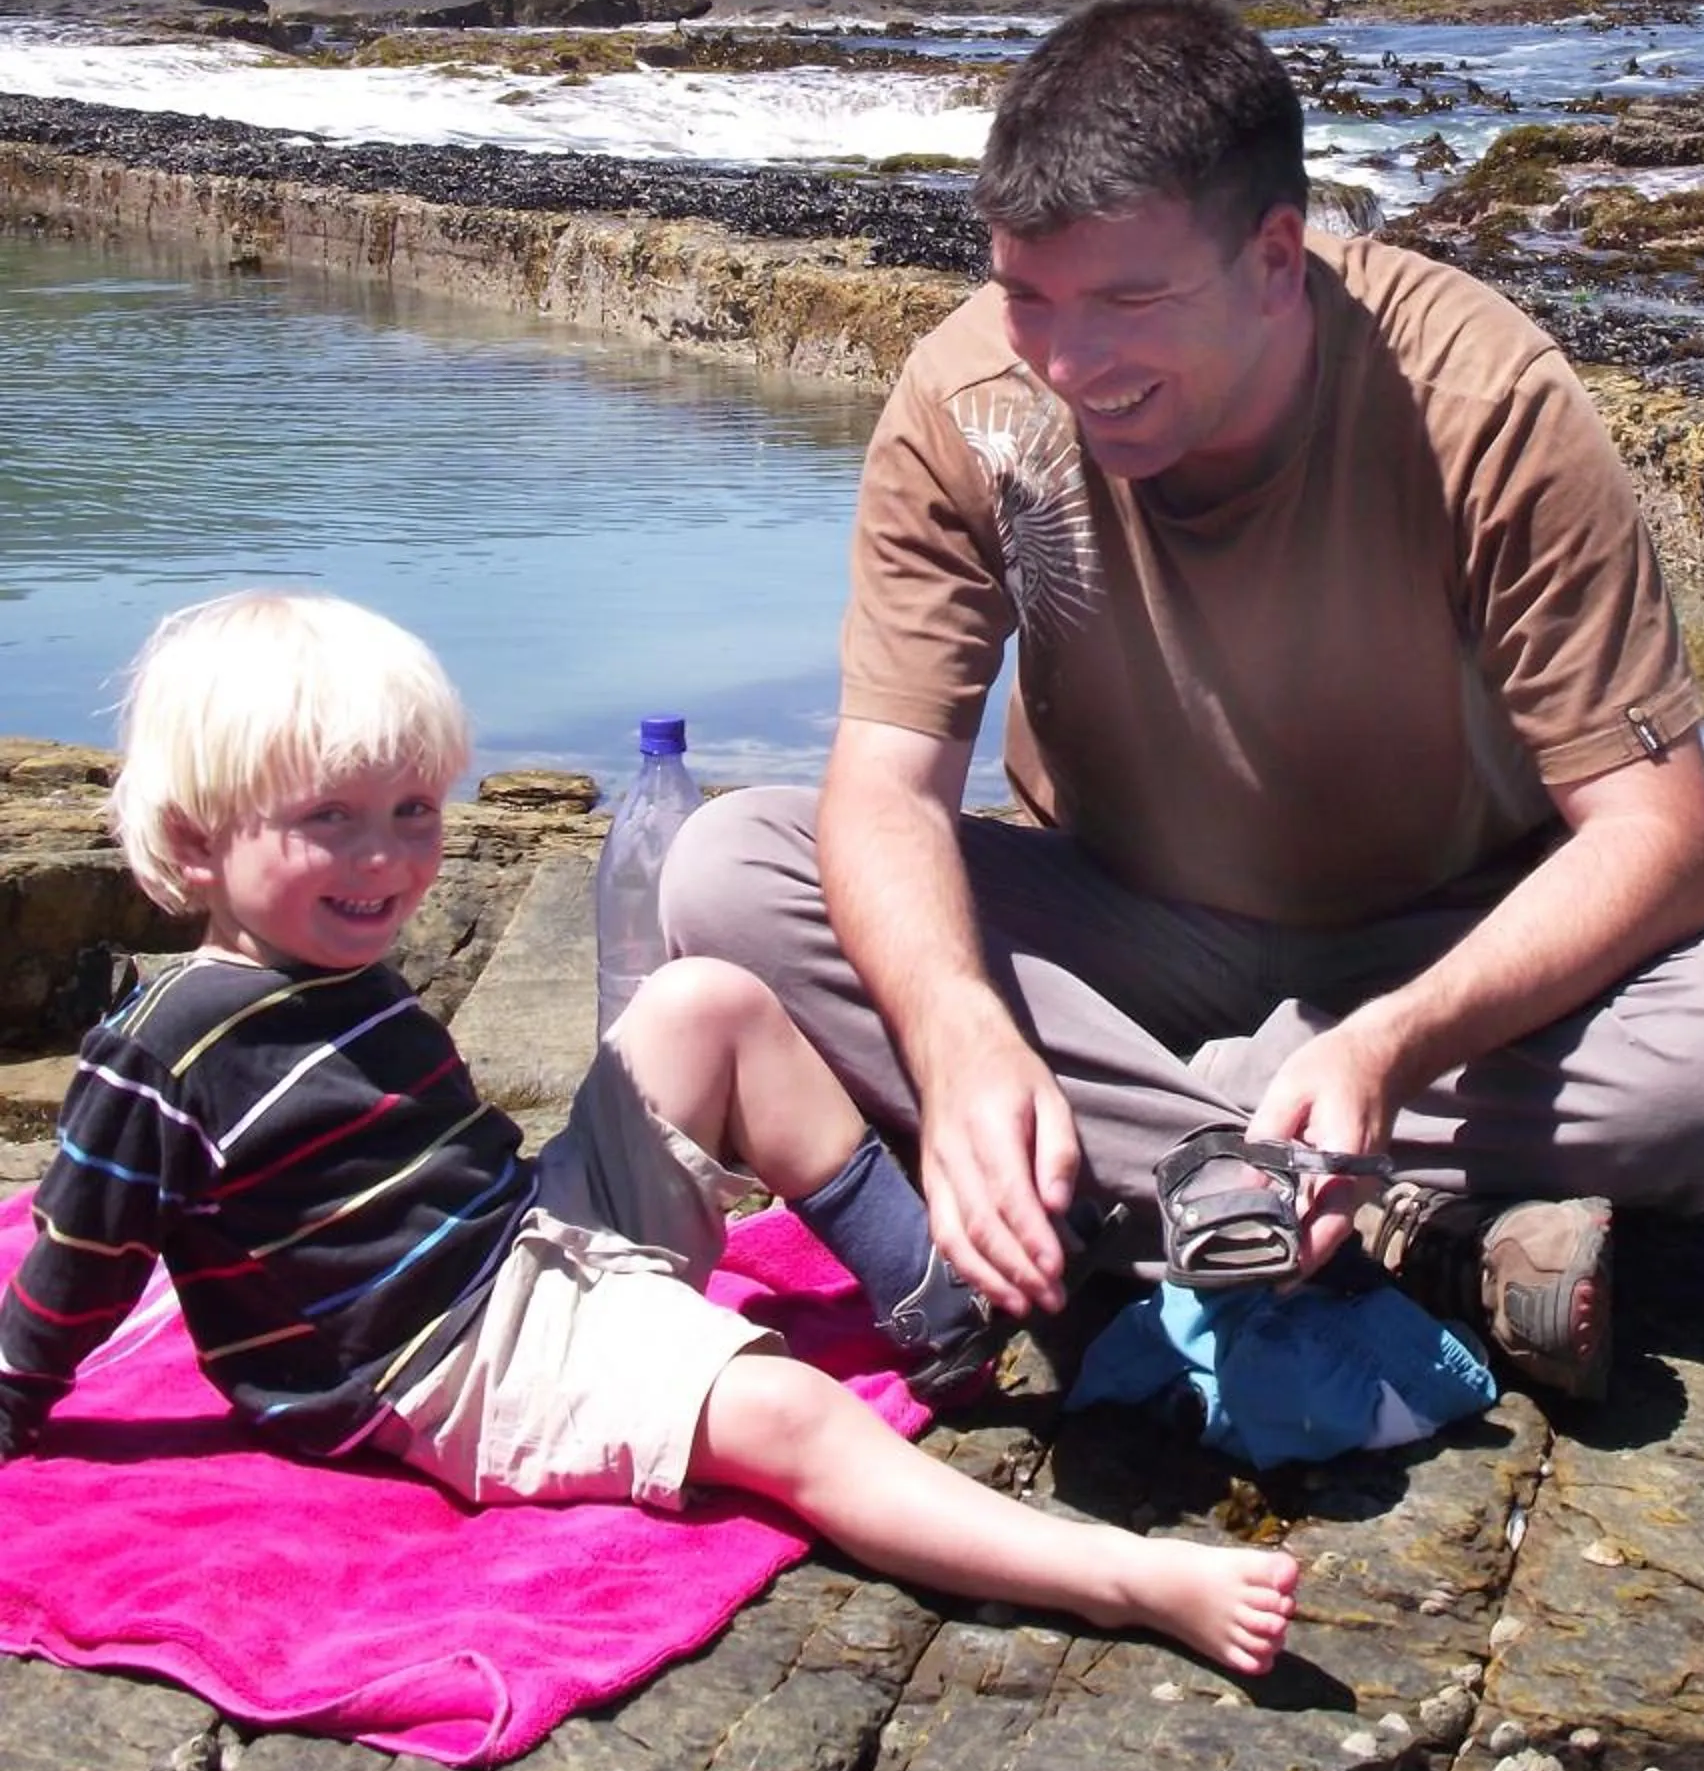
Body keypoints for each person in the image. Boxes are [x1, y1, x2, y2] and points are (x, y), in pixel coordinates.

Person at [662, 0, 1704, 1401]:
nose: (1068, 365)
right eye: (1029, 296)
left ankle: (1139, 1167)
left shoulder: (1478, 399)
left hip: (1443, 952)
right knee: (725, 869)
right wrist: (957, 1031)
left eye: (1128, 302)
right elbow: (887, 788)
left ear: (1274, 258)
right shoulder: (971, 402)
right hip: (1125, 923)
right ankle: (1384, 1225)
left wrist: (1389, 1043)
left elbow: (1660, 839)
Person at [0, 592, 1298, 1679]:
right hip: (443, 1367)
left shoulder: (330, 966)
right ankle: (1123, 1579)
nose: (386, 860)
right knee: (789, 1418)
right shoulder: (166, 1051)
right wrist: (14, 1401)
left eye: (413, 811)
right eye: (329, 819)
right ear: (195, 841)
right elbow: (78, 1258)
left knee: (707, 1001)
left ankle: (939, 1301)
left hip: (530, 1240)